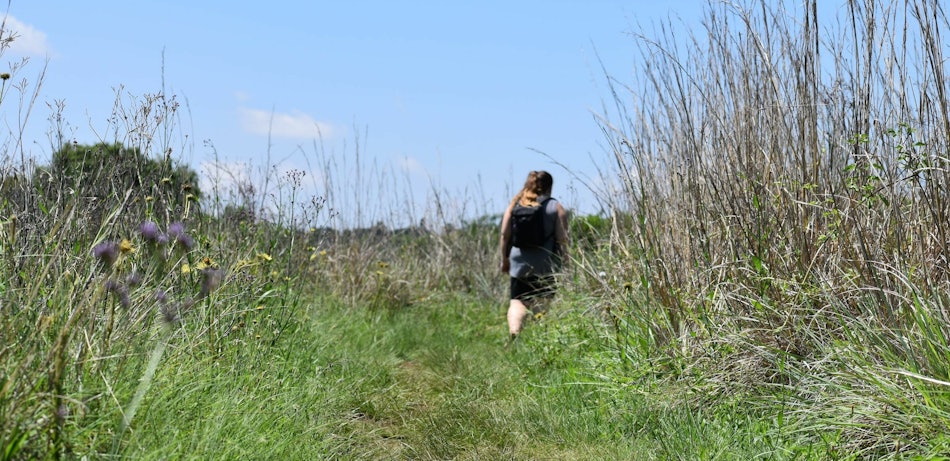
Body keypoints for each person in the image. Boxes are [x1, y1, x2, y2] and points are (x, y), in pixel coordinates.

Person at [499, 170, 569, 344]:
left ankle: (514, 332)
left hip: (518, 263)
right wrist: (566, 262)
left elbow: (504, 235)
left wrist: (505, 259)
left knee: (517, 302)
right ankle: (538, 340)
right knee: (542, 302)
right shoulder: (555, 207)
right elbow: (562, 239)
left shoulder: (515, 204)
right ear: (550, 187)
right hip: (545, 264)